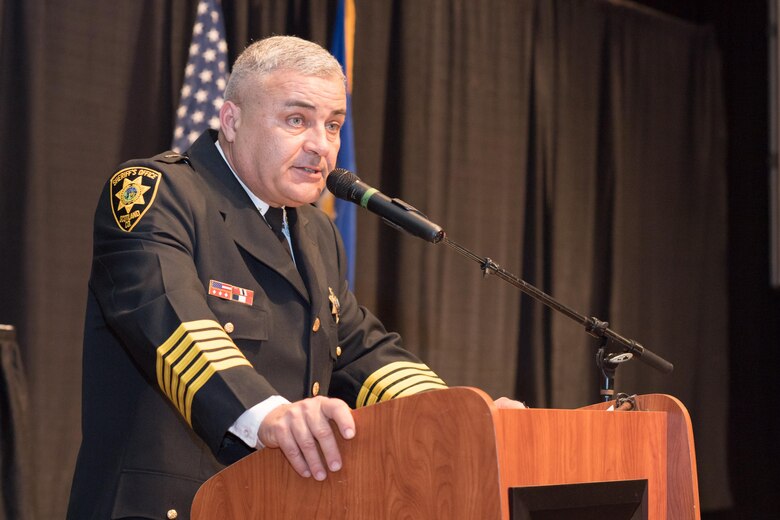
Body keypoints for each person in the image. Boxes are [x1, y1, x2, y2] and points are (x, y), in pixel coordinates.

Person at [67, 35, 523, 520]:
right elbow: (170, 320)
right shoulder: (159, 192)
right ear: (232, 120)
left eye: (333, 125)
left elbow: (357, 351)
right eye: (296, 120)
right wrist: (271, 415)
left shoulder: (313, 229)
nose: (321, 145)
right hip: (166, 507)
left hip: (271, 502)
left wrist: (461, 417)